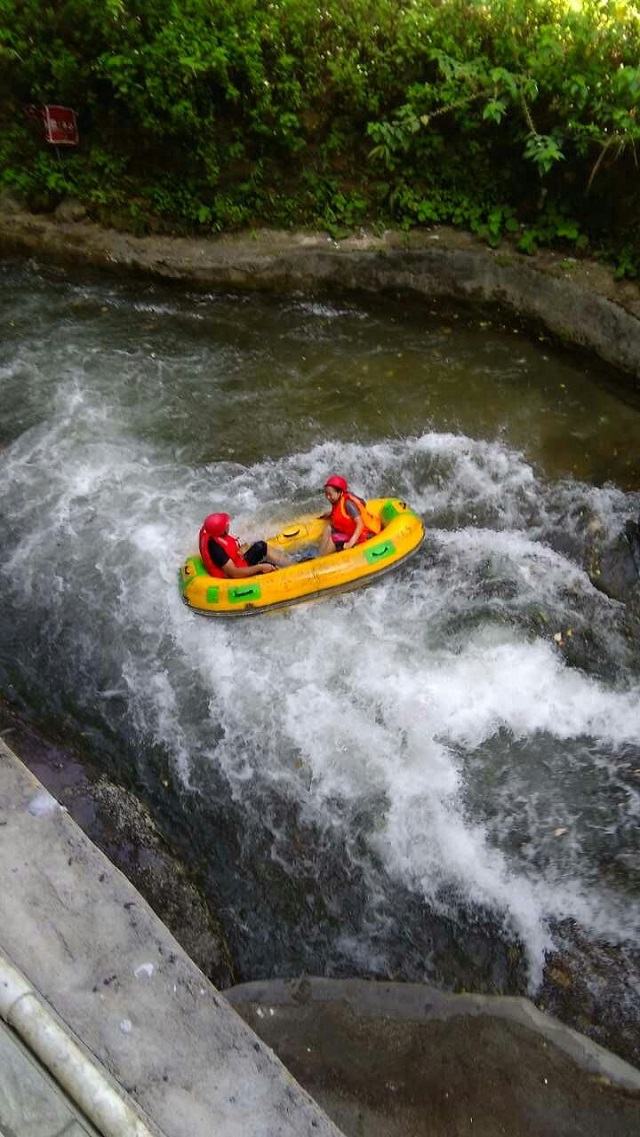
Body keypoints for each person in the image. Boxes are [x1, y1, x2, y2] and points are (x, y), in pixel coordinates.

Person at [198, 513, 290, 579]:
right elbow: (234, 573)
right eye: (226, 525)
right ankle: (291, 568)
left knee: (260, 546)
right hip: (234, 576)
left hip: (237, 563)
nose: (228, 525)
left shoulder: (212, 534)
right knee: (269, 565)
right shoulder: (216, 550)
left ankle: (290, 563)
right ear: (221, 531)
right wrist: (260, 567)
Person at [318, 475, 381, 556]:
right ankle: (319, 555)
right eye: (326, 494)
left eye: (330, 494)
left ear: (340, 493)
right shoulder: (337, 501)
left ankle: (323, 559)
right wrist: (330, 514)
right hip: (350, 531)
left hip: (366, 534)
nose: (328, 497)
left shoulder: (348, 504)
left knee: (334, 538)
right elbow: (341, 513)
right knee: (328, 528)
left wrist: (351, 542)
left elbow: (360, 524)